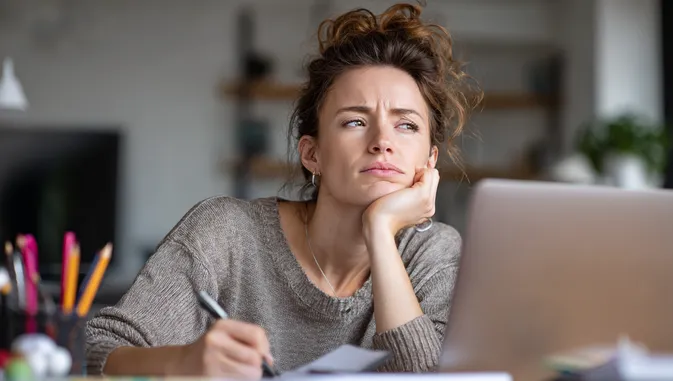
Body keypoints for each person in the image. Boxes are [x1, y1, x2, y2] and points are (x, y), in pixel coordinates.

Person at [85, 2, 482, 379]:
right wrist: (184, 361)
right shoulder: (226, 233)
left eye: (406, 125)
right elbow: (101, 350)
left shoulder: (435, 254)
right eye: (354, 122)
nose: (382, 141)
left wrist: (380, 229)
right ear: (312, 154)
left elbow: (430, 379)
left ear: (429, 162)